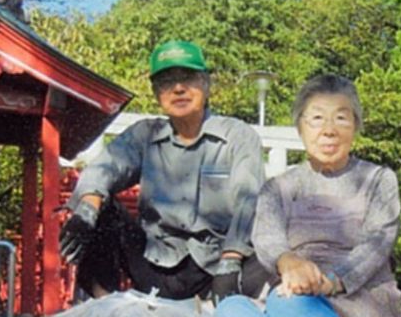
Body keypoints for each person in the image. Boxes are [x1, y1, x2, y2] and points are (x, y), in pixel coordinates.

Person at [216, 74, 401, 317]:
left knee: (285, 304)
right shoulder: (278, 188)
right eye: (317, 118)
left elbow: (378, 242)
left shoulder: (379, 179)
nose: (329, 130)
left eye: (341, 117)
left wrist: (330, 281)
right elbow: (268, 239)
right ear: (300, 127)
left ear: (356, 127)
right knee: (229, 310)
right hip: (295, 295)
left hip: (359, 297)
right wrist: (289, 263)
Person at [59, 39, 268, 301]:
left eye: (188, 78)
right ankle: (106, 306)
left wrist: (231, 259)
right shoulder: (145, 134)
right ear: (157, 92)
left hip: (217, 263)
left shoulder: (238, 135)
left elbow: (249, 200)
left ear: (206, 83)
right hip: (155, 260)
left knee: (275, 242)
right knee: (98, 210)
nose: (179, 89)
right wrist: (87, 208)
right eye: (168, 82)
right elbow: (105, 168)